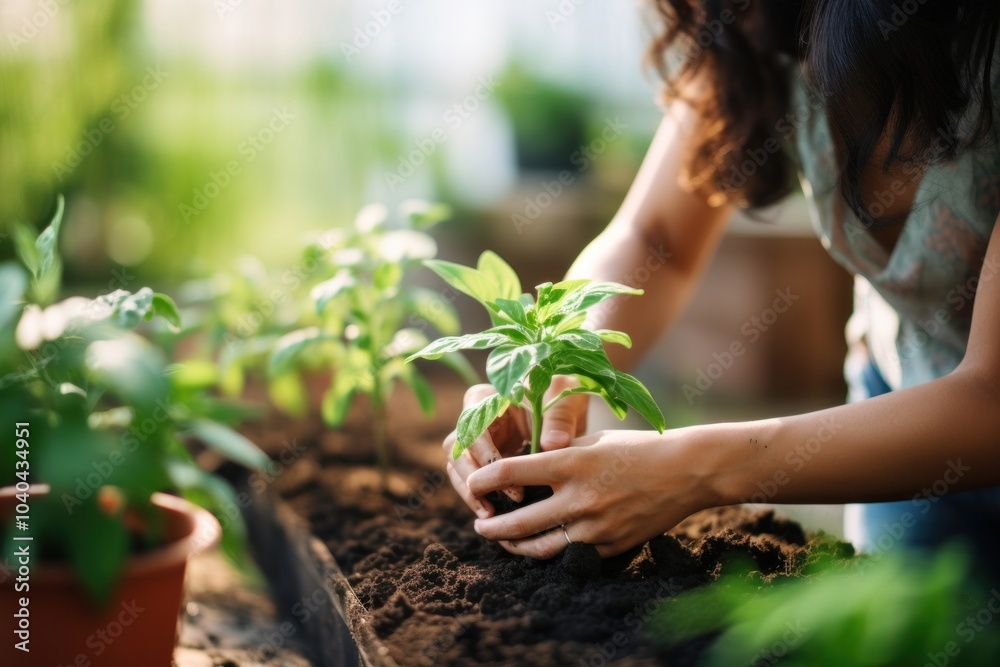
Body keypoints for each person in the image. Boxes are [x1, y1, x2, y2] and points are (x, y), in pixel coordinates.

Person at [443, 0, 1000, 573]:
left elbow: (992, 398)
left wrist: (692, 468)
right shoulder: (757, 20)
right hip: (895, 403)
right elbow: (656, 237)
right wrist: (559, 369)